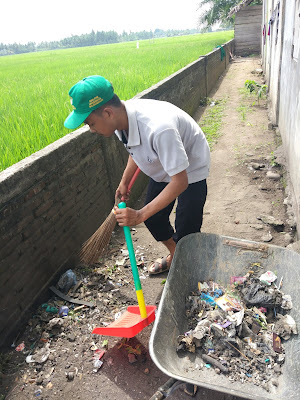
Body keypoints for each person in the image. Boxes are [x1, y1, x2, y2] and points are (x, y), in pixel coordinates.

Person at [64, 75, 210, 274]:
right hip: (163, 163)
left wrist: (139, 214)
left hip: (190, 168)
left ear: (107, 113)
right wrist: (124, 181)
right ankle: (177, 254)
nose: (91, 130)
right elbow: (137, 148)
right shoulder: (120, 121)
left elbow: (180, 181)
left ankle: (186, 257)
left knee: (187, 227)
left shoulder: (158, 129)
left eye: (90, 123)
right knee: (154, 219)